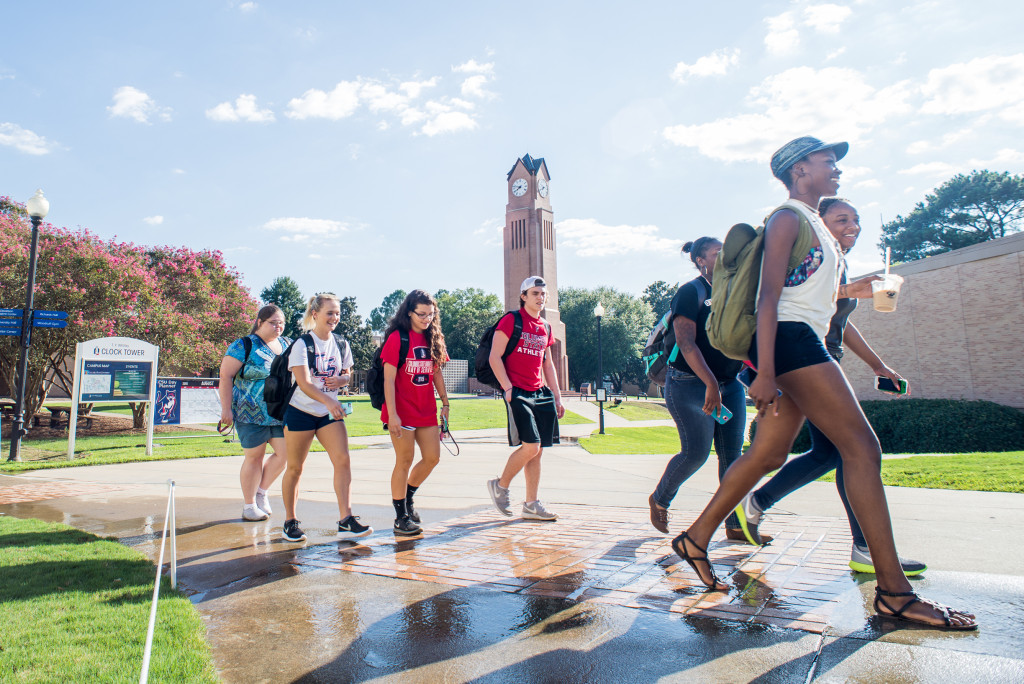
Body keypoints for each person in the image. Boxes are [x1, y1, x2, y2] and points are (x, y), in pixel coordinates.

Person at [672, 137, 976, 630]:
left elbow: (819, 298)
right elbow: (768, 298)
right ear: (799, 170)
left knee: (769, 455)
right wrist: (766, 372)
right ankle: (895, 593)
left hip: (799, 342)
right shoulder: (787, 218)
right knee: (862, 449)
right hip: (792, 345)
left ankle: (696, 537)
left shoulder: (816, 225)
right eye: (826, 161)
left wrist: (866, 331)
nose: (835, 168)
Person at [734, 197, 926, 576]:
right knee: (851, 449)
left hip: (822, 360)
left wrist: (878, 364)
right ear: (820, 224)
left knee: (829, 453)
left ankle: (753, 505)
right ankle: (864, 547)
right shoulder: (810, 254)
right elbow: (783, 297)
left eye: (856, 219)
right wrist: (850, 290)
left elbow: (842, 322)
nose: (852, 225)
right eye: (841, 219)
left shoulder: (837, 262)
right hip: (802, 359)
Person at [648, 238, 749, 542]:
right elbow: (686, 343)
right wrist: (710, 384)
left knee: (733, 459)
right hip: (689, 385)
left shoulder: (734, 291)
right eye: (719, 253)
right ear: (701, 261)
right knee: (696, 453)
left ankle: (736, 526)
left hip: (729, 385)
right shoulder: (691, 292)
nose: (727, 257)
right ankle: (661, 499)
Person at [280, 293, 372, 542]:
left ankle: (346, 519)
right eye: (329, 313)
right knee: (295, 467)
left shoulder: (341, 343)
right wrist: (331, 400)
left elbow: (347, 373)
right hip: (301, 410)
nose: (334, 318)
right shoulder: (303, 344)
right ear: (315, 314)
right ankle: (290, 521)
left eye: (337, 313)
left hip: (328, 412)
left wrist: (342, 380)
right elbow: (305, 384)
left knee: (343, 460)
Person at [486, 276, 566, 521]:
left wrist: (557, 395)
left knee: (538, 451)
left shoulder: (546, 327)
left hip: (540, 393)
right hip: (518, 391)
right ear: (523, 296)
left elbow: (549, 364)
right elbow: (494, 357)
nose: (541, 298)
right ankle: (500, 485)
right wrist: (507, 388)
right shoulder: (512, 320)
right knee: (530, 446)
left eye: (543, 294)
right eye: (535, 293)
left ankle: (531, 504)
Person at [381, 290, 451, 536]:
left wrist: (445, 403)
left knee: (432, 458)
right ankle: (400, 517)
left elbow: (436, 372)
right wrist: (392, 414)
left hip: (427, 410)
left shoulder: (434, 337)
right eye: (421, 314)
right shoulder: (397, 338)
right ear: (409, 312)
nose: (426, 318)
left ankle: (408, 496)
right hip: (401, 411)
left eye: (430, 314)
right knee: (404, 460)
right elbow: (388, 380)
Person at [218, 305, 290, 521]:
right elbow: (226, 376)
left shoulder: (287, 344)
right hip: (250, 413)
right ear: (260, 322)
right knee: (254, 457)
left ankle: (261, 492)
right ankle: (249, 505)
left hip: (280, 412)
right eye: (273, 322)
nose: (279, 326)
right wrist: (226, 409)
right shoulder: (244, 345)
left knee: (285, 455)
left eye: (282, 323)